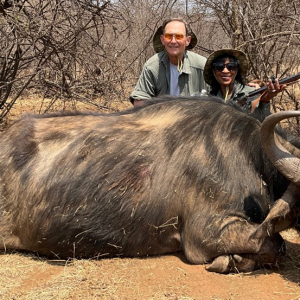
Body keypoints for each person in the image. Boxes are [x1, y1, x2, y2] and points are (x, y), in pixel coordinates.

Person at [129, 18, 209, 106]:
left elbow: (217, 99)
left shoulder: (202, 66)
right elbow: (139, 100)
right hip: (162, 117)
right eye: (168, 36)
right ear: (162, 39)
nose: (173, 41)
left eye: (179, 36)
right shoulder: (152, 66)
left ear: (187, 40)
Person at [203, 49, 286, 121]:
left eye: (231, 66)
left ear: (237, 69)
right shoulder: (209, 97)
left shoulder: (251, 93)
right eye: (219, 67)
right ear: (213, 71)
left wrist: (264, 101)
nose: (225, 71)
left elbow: (260, 122)